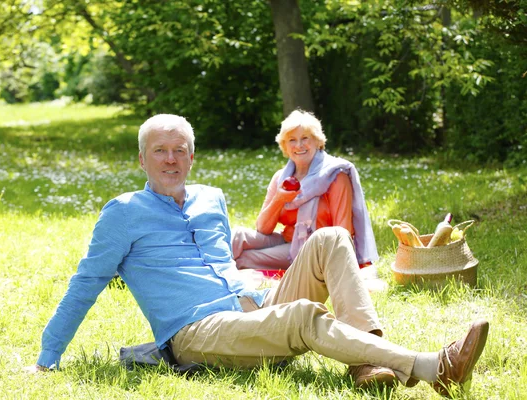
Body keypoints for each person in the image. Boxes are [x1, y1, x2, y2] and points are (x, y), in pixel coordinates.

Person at [29, 114, 489, 397]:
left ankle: (367, 362)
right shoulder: (123, 213)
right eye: (159, 152)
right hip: (196, 333)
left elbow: (229, 259)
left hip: (254, 305)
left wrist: (259, 287)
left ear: (192, 157)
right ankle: (432, 367)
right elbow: (85, 284)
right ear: (143, 160)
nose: (170, 160)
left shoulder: (211, 198)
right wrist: (47, 357)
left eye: (179, 151)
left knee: (330, 239)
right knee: (304, 315)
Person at [231, 110, 378, 273]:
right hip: (287, 239)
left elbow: (342, 232)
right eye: (292, 140)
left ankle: (218, 274)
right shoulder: (281, 178)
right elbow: (263, 228)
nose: (299, 145)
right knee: (237, 236)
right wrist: (279, 199)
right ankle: (205, 266)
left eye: (305, 138)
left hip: (315, 249)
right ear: (285, 147)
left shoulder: (335, 175)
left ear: (318, 141)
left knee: (245, 258)